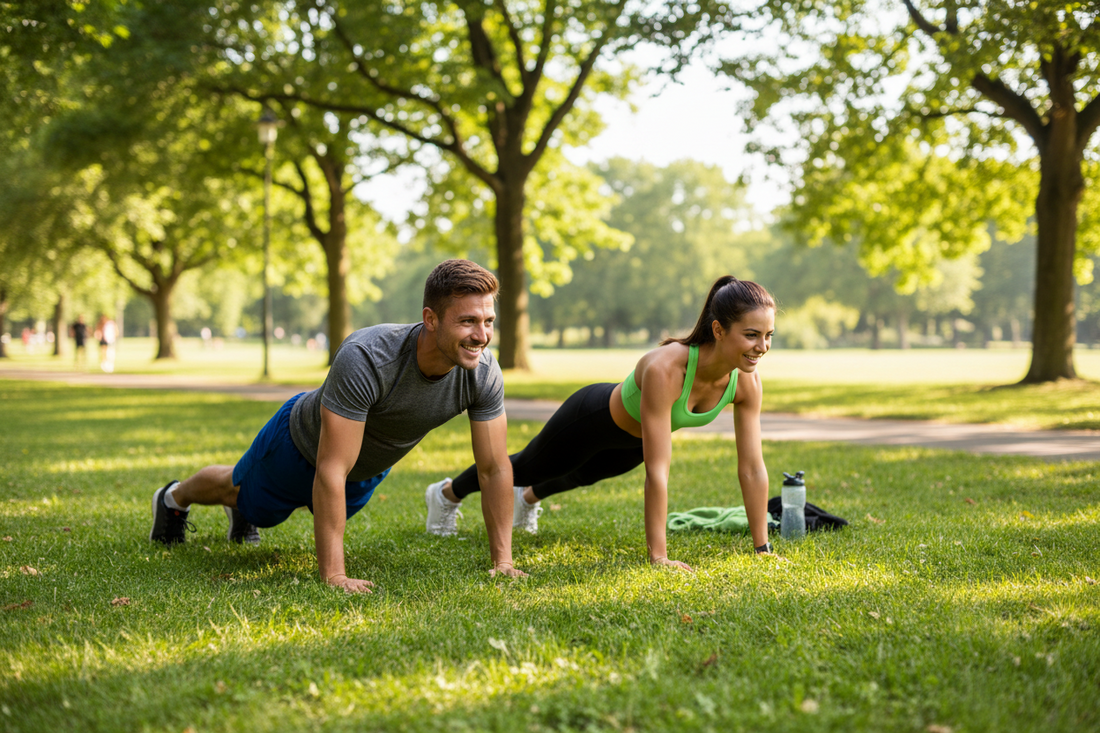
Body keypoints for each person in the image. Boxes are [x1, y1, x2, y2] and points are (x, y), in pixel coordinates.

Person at [148, 259, 525, 592]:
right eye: (468, 321)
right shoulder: (368, 356)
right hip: (299, 446)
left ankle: (245, 504)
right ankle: (173, 499)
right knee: (242, 494)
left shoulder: (483, 372)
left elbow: (494, 468)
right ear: (431, 318)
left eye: (488, 321)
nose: (482, 336)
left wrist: (503, 562)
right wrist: (335, 575)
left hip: (362, 471)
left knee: (310, 504)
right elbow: (330, 467)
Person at [425, 276, 777, 571]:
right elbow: (658, 472)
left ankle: (527, 500)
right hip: (592, 418)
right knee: (528, 466)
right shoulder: (666, 369)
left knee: (582, 475)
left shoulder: (746, 381)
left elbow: (751, 468)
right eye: (751, 335)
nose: (762, 346)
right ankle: (445, 494)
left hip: (632, 442)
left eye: (768, 335)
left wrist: (762, 549)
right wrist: (659, 556)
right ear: (718, 329)